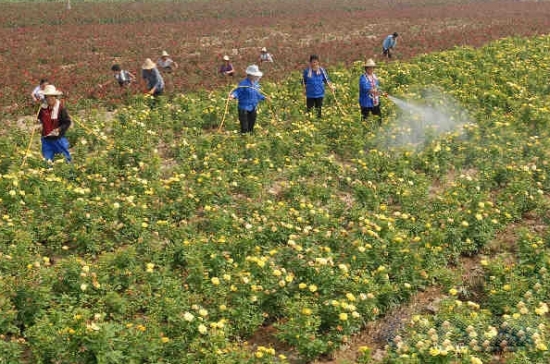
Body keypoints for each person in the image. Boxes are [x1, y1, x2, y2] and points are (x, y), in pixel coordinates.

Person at [37, 85, 72, 163]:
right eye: (47, 97)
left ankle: (70, 171)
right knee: (47, 160)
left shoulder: (61, 108)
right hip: (46, 139)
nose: (49, 99)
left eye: (51, 97)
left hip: (58, 139)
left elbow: (67, 122)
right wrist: (39, 125)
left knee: (65, 159)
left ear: (55, 97)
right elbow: (39, 119)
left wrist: (59, 129)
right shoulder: (42, 108)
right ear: (45, 98)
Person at [229, 65, 266, 134]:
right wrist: (233, 95)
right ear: (250, 75)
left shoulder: (256, 84)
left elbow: (257, 93)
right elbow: (237, 91)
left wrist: (263, 97)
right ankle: (244, 138)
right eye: (255, 75)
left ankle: (250, 138)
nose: (256, 77)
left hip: (253, 107)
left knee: (251, 124)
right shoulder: (243, 83)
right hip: (244, 107)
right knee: (244, 126)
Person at [302, 54, 334, 118]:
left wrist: (331, 87)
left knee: (318, 109)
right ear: (310, 62)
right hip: (310, 94)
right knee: (309, 110)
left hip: (319, 93)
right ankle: (309, 122)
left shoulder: (322, 70)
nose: (314, 63)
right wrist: (304, 89)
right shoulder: (307, 71)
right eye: (313, 62)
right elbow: (303, 81)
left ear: (318, 62)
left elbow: (326, 80)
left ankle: (318, 121)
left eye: (315, 62)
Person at [359, 59, 384, 124]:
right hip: (366, 102)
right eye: (370, 68)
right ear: (366, 68)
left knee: (378, 118)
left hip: (375, 101)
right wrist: (373, 91)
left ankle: (379, 129)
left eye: (372, 68)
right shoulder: (363, 77)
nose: (371, 69)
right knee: (365, 118)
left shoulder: (374, 76)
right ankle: (364, 130)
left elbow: (377, 85)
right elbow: (365, 88)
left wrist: (379, 91)